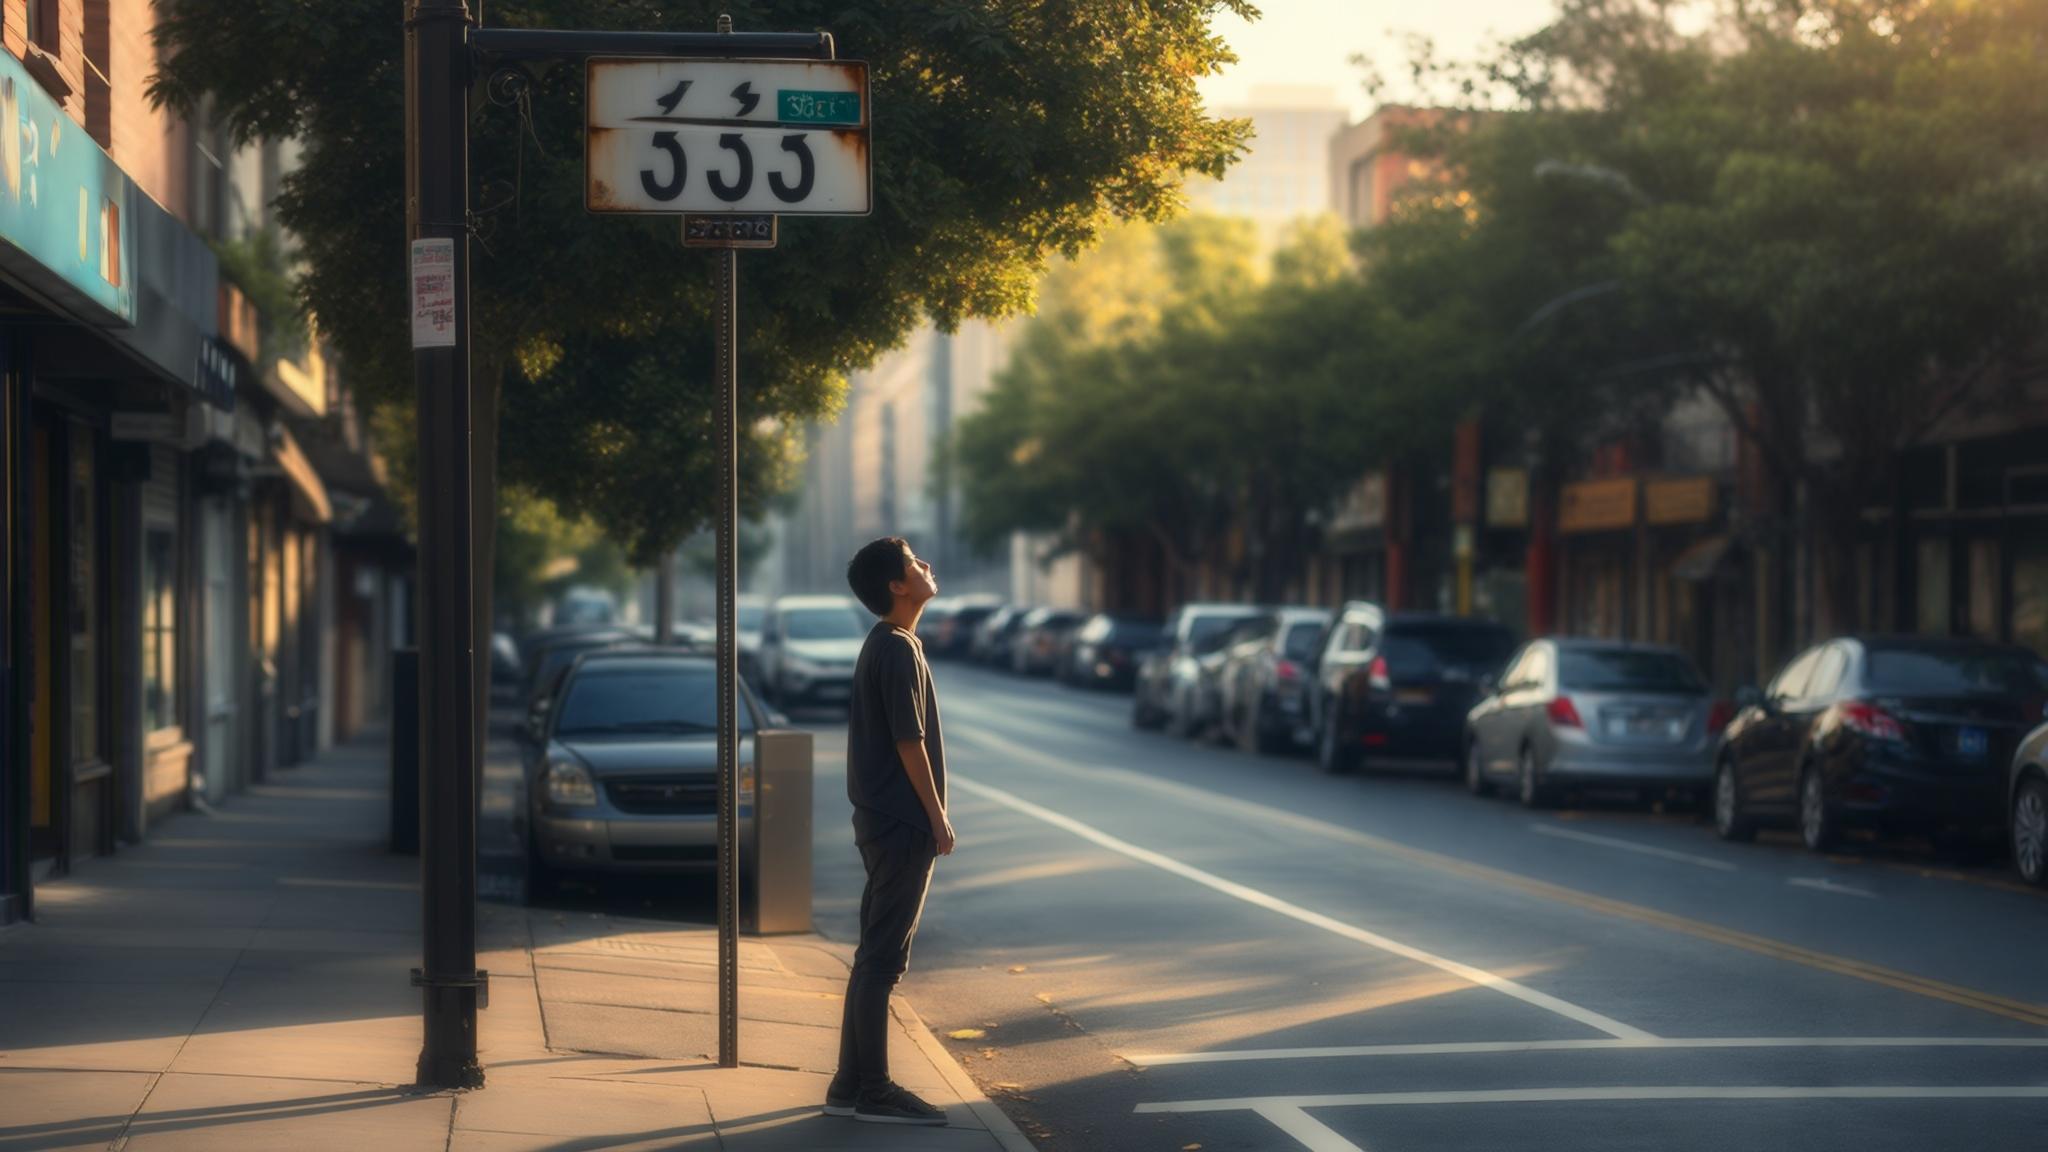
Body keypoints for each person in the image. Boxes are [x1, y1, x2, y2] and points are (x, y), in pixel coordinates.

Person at [826, 537, 958, 1125]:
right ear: (897, 587)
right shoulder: (897, 650)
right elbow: (911, 743)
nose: (926, 567)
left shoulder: (887, 643)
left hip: (881, 821)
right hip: (901, 823)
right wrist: (937, 816)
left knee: (872, 955)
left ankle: (849, 1082)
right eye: (914, 563)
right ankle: (874, 1089)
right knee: (883, 959)